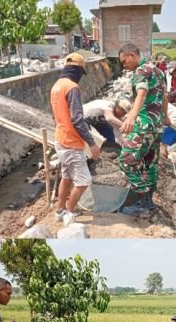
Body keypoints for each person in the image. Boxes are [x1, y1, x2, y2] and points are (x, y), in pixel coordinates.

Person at [117, 43, 169, 216]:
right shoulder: (158, 71)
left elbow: (142, 93)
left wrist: (131, 116)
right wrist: (165, 116)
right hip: (157, 126)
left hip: (144, 125)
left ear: (132, 55)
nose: (124, 66)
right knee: (150, 163)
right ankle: (149, 201)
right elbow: (164, 96)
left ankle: (142, 203)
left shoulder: (141, 71)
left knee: (127, 160)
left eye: (124, 62)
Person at [50, 53, 101, 225]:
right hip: (71, 143)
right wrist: (92, 143)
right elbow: (77, 119)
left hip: (60, 139)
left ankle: (59, 210)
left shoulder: (56, 86)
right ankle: (69, 214)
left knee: (67, 177)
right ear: (77, 70)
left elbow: (56, 116)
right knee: (84, 181)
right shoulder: (72, 88)